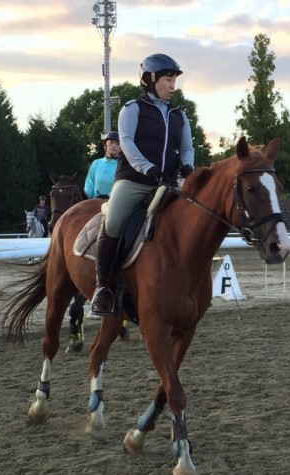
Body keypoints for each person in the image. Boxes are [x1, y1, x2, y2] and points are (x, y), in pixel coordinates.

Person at [90, 53, 195, 315]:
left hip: (168, 182)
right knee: (113, 221)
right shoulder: (132, 109)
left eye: (174, 81)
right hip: (134, 181)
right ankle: (102, 288)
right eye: (168, 80)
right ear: (150, 80)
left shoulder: (179, 115)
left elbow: (187, 148)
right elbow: (126, 143)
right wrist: (148, 169)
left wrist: (188, 168)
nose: (173, 85)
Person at [84, 131, 122, 199]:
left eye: (117, 144)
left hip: (114, 203)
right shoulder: (96, 163)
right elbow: (89, 184)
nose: (113, 145)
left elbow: (122, 187)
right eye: (111, 142)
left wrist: (108, 195)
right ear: (105, 146)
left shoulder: (123, 165)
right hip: (93, 203)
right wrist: (85, 195)